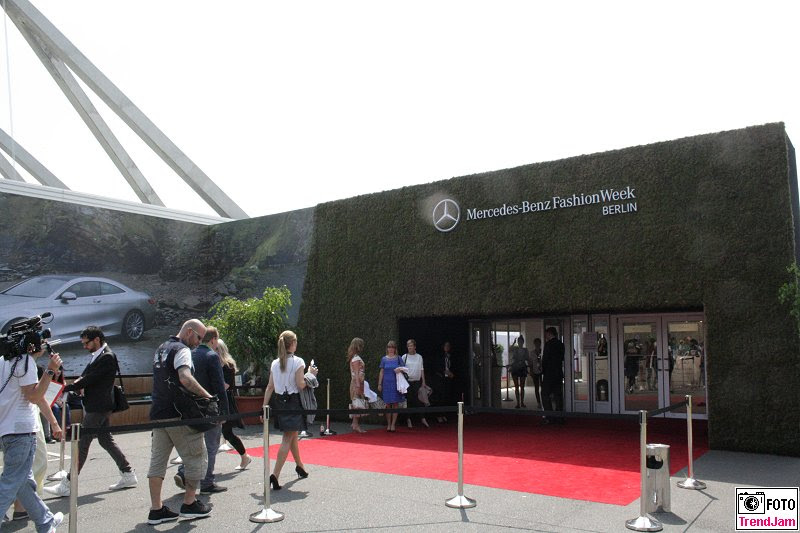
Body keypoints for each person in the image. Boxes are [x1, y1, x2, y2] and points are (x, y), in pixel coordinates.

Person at [45, 326, 137, 498]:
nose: (84, 346)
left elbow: (89, 379)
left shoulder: (107, 356)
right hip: (98, 405)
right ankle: (128, 473)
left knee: (83, 443)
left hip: (99, 407)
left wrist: (66, 388)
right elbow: (85, 376)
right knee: (106, 440)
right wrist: (71, 384)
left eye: (86, 343)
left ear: (97, 340)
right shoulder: (99, 355)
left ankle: (68, 484)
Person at [147, 319, 214, 525]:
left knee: (158, 462)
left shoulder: (161, 348)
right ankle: (190, 504)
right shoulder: (182, 350)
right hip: (179, 413)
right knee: (196, 457)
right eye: (199, 338)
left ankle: (156, 509)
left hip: (158, 412)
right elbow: (185, 378)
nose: (199, 342)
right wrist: (207, 396)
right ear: (189, 332)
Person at [0, 343, 64, 532]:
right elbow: (35, 396)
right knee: (11, 482)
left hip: (8, 430)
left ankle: (46, 522)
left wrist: (54, 423)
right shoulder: (25, 361)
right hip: (22, 432)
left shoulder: (4, 361)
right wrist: (51, 370)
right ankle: (46, 523)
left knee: (24, 483)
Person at [174, 327, 229, 494]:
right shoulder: (212, 356)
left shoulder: (189, 353)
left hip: (190, 407)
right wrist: (224, 411)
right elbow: (219, 385)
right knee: (211, 445)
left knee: (193, 445)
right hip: (209, 407)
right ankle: (207, 482)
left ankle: (183, 472)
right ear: (213, 340)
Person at [262, 330, 318, 489]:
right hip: (293, 402)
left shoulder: (275, 363)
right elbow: (301, 384)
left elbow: (270, 386)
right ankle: (275, 475)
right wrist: (311, 374)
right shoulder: (298, 361)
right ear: (292, 344)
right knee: (288, 437)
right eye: (296, 342)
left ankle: (300, 466)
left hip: (279, 401)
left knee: (292, 435)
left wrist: (264, 406)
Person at [216, 339, 251, 470]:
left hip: (226, 401)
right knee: (216, 433)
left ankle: (245, 457)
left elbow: (226, 385)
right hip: (216, 400)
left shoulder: (228, 365)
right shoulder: (215, 364)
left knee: (227, 433)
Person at [401, 339, 429, 428]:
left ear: (415, 347)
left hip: (417, 382)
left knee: (419, 400)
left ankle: (422, 418)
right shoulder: (404, 357)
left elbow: (422, 369)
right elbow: (401, 370)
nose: (409, 347)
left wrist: (423, 381)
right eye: (408, 346)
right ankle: (408, 419)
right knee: (409, 401)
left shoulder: (419, 357)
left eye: (411, 345)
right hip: (407, 382)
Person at [378, 340, 405, 432]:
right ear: (387, 348)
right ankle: (388, 424)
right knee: (387, 404)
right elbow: (381, 372)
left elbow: (405, 369)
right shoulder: (384, 359)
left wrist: (400, 370)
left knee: (395, 404)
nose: (391, 349)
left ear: (395, 349)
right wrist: (379, 384)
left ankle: (393, 424)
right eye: (389, 347)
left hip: (396, 384)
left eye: (392, 347)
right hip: (386, 384)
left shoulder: (398, 358)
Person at [541, 327, 565, 424]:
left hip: (549, 374)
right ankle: (559, 417)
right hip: (558, 373)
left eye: (546, 334)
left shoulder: (548, 345)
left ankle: (549, 416)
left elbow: (545, 359)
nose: (546, 336)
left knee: (545, 394)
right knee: (558, 395)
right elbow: (562, 357)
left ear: (549, 334)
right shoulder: (561, 344)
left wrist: (543, 370)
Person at [347, 338, 367, 433]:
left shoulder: (355, 358)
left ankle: (354, 423)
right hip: (356, 383)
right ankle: (355, 424)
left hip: (357, 383)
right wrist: (358, 385)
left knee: (357, 403)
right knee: (357, 404)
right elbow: (356, 372)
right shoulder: (356, 359)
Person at [433, 341, 456, 422]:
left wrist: (451, 373)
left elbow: (452, 366)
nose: (447, 347)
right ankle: (438, 415)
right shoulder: (439, 356)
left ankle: (444, 414)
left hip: (448, 379)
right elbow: (436, 367)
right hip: (440, 378)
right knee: (440, 397)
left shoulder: (450, 356)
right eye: (446, 345)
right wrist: (444, 371)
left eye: (448, 346)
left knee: (446, 397)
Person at [510, 335, 529, 408]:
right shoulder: (515, 349)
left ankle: (522, 402)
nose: (520, 343)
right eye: (519, 341)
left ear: (523, 342)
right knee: (516, 386)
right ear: (518, 342)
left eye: (521, 341)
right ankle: (518, 403)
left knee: (522, 386)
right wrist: (513, 343)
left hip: (522, 368)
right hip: (515, 367)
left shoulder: (525, 350)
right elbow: (509, 349)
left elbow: (527, 358)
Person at [529, 338, 543, 408]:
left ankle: (544, 400)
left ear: (540, 344)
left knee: (544, 387)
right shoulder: (532, 353)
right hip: (535, 371)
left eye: (538, 343)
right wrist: (531, 371)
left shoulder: (543, 351)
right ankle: (538, 402)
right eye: (536, 343)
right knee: (536, 388)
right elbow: (530, 363)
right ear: (534, 344)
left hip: (542, 372)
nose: (537, 344)